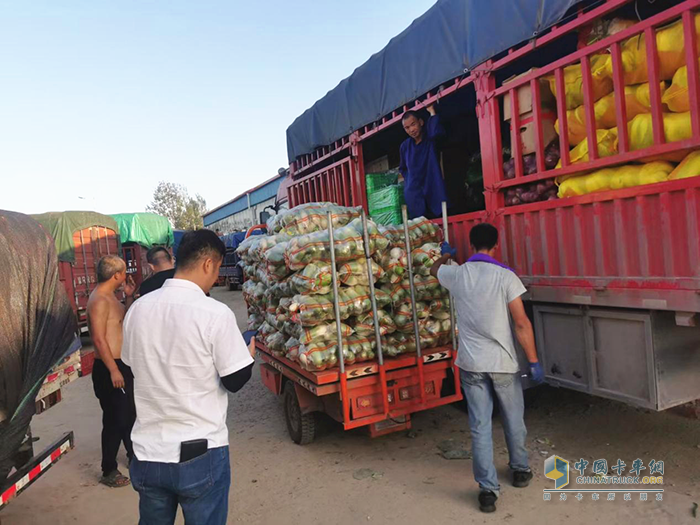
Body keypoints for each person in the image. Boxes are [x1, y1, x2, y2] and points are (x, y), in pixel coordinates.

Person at [122, 229, 256, 525]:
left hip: (148, 453)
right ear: (208, 263)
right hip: (199, 453)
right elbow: (234, 380)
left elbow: (131, 368)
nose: (217, 276)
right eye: (219, 267)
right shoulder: (214, 313)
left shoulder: (137, 310)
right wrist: (249, 355)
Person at [430, 224, 544, 514]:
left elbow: (433, 270)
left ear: (470, 244)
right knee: (513, 419)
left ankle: (488, 492)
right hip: (503, 364)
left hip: (470, 365)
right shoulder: (506, 277)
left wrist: (446, 256)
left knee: (479, 427)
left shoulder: (458, 275)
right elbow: (521, 323)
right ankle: (519, 471)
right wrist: (533, 360)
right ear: (496, 245)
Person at [87, 254, 137, 488]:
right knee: (115, 419)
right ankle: (108, 469)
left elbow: (121, 324)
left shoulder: (111, 297)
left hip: (120, 364)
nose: (126, 275)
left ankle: (133, 456)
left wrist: (128, 298)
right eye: (124, 271)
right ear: (117, 275)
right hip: (109, 367)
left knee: (128, 414)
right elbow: (98, 339)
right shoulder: (99, 300)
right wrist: (114, 370)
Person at [399, 104, 448, 219]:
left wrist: (431, 112)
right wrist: (410, 181)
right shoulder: (405, 147)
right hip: (415, 193)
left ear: (421, 122)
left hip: (433, 186)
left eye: (413, 124)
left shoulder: (430, 139)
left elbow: (436, 132)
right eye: (407, 128)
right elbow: (403, 168)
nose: (411, 130)